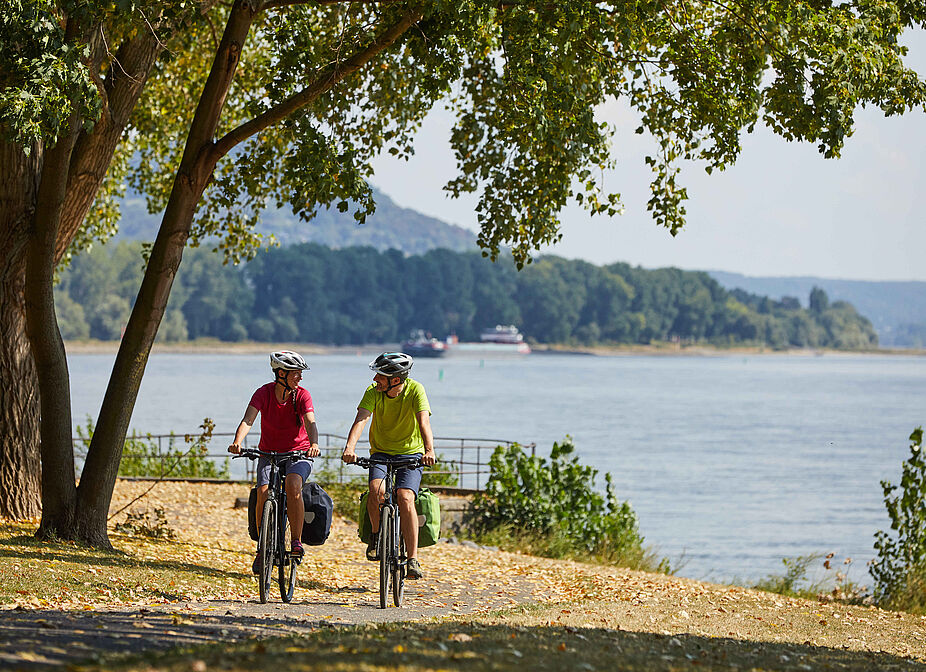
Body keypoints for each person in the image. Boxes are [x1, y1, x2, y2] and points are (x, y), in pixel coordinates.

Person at [341, 352, 435, 579]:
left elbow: (423, 422)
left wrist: (429, 450)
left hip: (411, 454)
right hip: (381, 453)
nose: (375, 380)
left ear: (396, 379)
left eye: (380, 376)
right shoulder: (373, 392)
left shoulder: (415, 390)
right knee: (376, 491)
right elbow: (361, 420)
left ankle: (412, 559)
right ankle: (375, 536)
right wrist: (350, 448)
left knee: (405, 498)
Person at [228, 350, 320, 572]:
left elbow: (310, 423)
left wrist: (314, 444)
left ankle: (296, 541)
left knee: (293, 484)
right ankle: (262, 547)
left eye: (300, 373)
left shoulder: (302, 395)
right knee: (262, 492)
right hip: (268, 453)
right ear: (281, 373)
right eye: (296, 373)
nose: (300, 377)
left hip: (298, 454)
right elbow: (248, 419)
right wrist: (237, 441)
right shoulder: (264, 393)